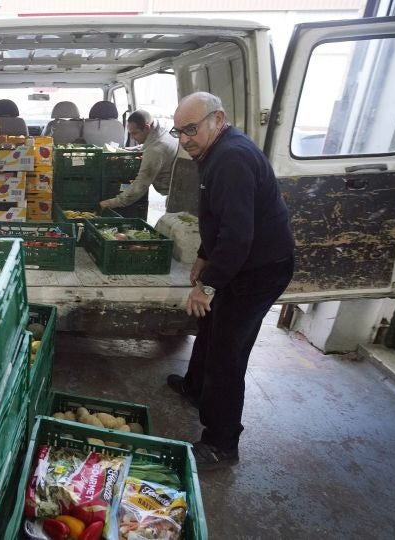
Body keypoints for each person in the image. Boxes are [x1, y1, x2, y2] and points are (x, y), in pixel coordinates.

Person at [165, 92, 295, 470]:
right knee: (209, 326)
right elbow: (218, 218)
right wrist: (204, 255)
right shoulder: (214, 152)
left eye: (191, 129)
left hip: (260, 269)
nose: (184, 139)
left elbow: (238, 237)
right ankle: (195, 388)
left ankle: (222, 443)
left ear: (218, 119)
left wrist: (207, 286)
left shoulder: (232, 158)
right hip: (240, 260)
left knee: (227, 351)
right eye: (178, 131)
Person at [99, 109, 178, 216]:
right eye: (130, 133)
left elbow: (140, 185)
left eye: (134, 133)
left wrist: (111, 203)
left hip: (176, 194)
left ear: (147, 128)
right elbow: (145, 146)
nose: (132, 137)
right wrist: (124, 150)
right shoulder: (161, 131)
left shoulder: (155, 151)